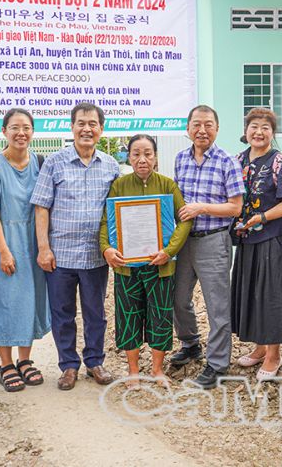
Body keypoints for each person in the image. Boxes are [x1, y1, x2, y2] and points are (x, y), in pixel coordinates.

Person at [31, 103, 120, 390]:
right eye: (81, 123)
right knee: (62, 314)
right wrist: (44, 248)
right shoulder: (55, 162)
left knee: (96, 313)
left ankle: (95, 361)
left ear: (101, 129)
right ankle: (68, 365)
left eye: (92, 124)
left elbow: (119, 211)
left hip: (95, 256)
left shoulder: (111, 165)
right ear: (72, 127)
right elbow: (41, 208)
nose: (87, 129)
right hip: (61, 255)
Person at [100, 134, 192, 385]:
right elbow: (106, 221)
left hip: (160, 265)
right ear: (129, 157)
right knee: (128, 315)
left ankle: (157, 370)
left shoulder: (167, 185)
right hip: (126, 267)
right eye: (136, 154)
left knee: (160, 315)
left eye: (148, 153)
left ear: (155, 156)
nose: (142, 159)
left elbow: (184, 220)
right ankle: (132, 371)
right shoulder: (119, 186)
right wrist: (107, 248)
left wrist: (169, 251)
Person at [170, 105, 244, 389]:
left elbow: (235, 208)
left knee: (217, 306)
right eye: (197, 124)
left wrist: (201, 208)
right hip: (184, 241)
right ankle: (190, 343)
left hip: (214, 240)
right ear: (188, 128)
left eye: (208, 124)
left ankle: (217, 364)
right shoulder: (180, 159)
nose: (202, 130)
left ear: (217, 128)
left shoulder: (227, 161)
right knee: (178, 298)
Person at [0, 109, 50, 393]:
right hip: (4, 240)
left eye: (26, 128)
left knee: (29, 299)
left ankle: (25, 359)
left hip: (33, 239)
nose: (21, 133)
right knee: (4, 300)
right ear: (4, 131)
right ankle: (6, 364)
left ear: (33, 132)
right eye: (14, 128)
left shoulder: (40, 163)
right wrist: (4, 251)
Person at [230, 108, 282, 381]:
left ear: (273, 132)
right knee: (251, 293)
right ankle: (259, 348)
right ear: (246, 131)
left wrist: (261, 217)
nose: (258, 132)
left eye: (265, 127)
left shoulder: (281, 164)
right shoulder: (237, 160)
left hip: (272, 238)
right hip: (246, 239)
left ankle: (274, 355)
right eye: (253, 127)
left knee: (270, 295)